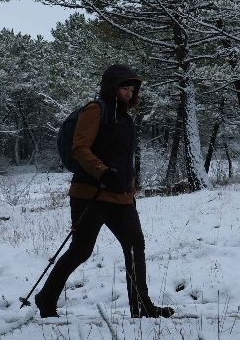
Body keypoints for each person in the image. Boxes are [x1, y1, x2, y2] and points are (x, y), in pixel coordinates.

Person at [35, 64, 174, 319]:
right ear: (112, 87)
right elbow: (80, 148)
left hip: (121, 197)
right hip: (91, 193)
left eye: (132, 89)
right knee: (81, 250)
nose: (129, 93)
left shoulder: (124, 118)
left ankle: (141, 305)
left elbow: (122, 158)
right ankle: (46, 298)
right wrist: (102, 172)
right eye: (124, 87)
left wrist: (129, 185)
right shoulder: (95, 110)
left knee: (135, 246)